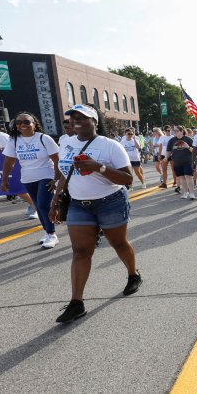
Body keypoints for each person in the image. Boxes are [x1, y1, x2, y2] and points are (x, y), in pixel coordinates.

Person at [48, 104, 140, 323]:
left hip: (110, 202)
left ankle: (133, 274)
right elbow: (64, 172)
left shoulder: (110, 146)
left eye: (82, 117)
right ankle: (76, 303)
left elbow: (128, 179)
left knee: (119, 243)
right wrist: (56, 199)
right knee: (80, 252)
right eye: (72, 117)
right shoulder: (66, 142)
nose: (75, 120)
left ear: (95, 122)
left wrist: (99, 167)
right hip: (79, 204)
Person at [0, 112, 62, 248]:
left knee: (43, 205)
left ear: (34, 124)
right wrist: (4, 180)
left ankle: (52, 234)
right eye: (18, 122)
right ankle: (47, 232)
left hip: (46, 175)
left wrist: (56, 178)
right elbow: (9, 161)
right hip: (28, 178)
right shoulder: (14, 140)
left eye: (26, 122)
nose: (22, 125)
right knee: (38, 206)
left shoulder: (44, 138)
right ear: (15, 126)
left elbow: (57, 160)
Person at [0, 122, 38, 219]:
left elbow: (9, 151)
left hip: (14, 166)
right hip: (14, 165)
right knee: (18, 188)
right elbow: (7, 149)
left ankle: (34, 205)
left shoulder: (0, 136)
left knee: (17, 188)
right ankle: (34, 205)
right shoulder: (0, 136)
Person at [167, 126, 196, 200]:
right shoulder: (172, 140)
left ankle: (192, 193)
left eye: (176, 130)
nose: (174, 132)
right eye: (174, 131)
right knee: (182, 178)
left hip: (188, 161)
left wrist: (187, 147)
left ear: (181, 131)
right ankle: (185, 192)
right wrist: (165, 157)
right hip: (177, 162)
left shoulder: (188, 139)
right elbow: (169, 151)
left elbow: (194, 151)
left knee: (188, 177)